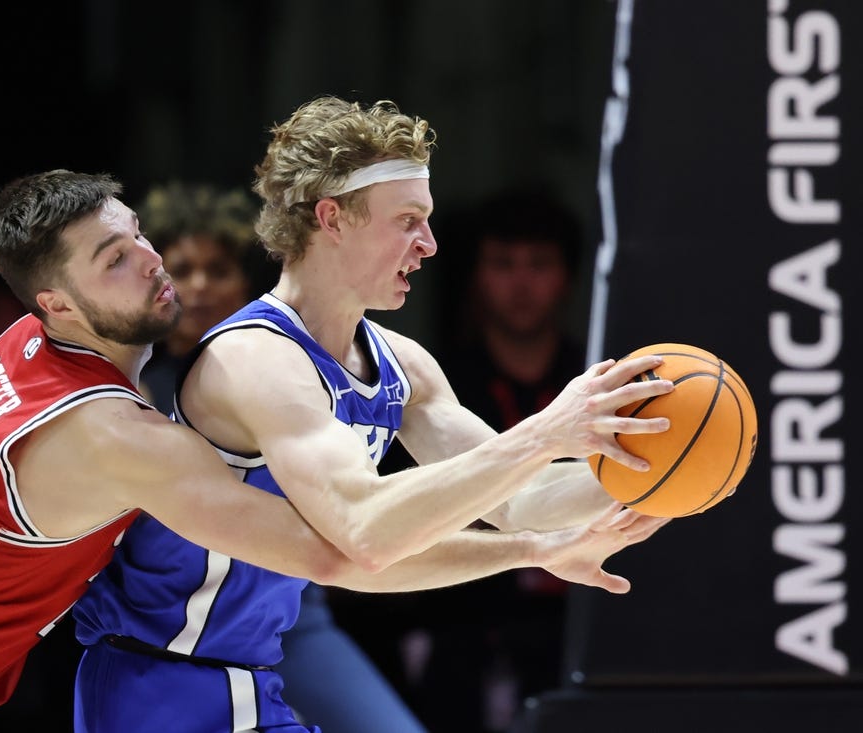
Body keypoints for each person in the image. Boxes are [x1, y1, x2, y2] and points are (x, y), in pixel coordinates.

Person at [71, 96, 677, 733]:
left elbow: (519, 501)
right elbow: (363, 532)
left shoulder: (402, 366)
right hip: (155, 685)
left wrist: (661, 465)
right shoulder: (252, 359)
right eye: (409, 219)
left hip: (250, 673)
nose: (431, 244)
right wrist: (544, 433)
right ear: (333, 218)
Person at [0, 169, 372, 733]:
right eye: (115, 261)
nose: (151, 261)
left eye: (136, 234)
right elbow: (334, 550)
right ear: (57, 303)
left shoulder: (30, 336)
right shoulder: (112, 434)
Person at [135, 181, 427, 733]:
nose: (196, 286)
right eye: (182, 269)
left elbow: (351, 533)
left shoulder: (283, 360)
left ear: (248, 278)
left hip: (292, 614)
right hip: (182, 631)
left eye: (217, 270)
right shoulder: (132, 384)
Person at [407, 187, 593, 732]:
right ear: (476, 275)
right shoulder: (436, 387)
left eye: (538, 264)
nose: (521, 284)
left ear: (568, 277)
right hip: (465, 627)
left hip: (579, 623)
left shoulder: (598, 378)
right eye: (503, 264)